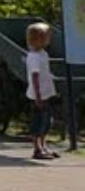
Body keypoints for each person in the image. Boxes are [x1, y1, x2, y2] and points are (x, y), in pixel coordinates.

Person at [26, 22, 60, 161]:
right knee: (38, 122)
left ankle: (44, 146)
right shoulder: (34, 57)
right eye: (46, 37)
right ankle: (37, 149)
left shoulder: (43, 53)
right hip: (38, 95)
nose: (48, 39)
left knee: (46, 122)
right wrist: (38, 96)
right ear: (37, 38)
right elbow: (35, 77)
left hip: (46, 93)